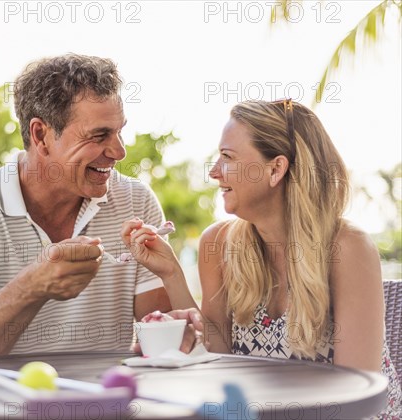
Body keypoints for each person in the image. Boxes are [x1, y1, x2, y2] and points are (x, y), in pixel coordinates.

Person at [122, 99, 401, 417]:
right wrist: (171, 273)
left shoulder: (347, 248)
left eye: (227, 157)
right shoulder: (219, 244)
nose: (214, 172)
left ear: (276, 168)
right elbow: (219, 357)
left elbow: (355, 396)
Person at [0, 54, 196, 358]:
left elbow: (164, 340)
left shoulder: (135, 201)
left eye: (119, 131)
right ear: (42, 135)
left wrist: (170, 325)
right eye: (99, 135)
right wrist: (32, 286)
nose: (119, 151)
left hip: (107, 401)